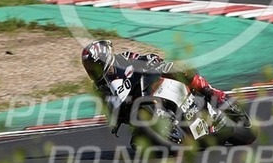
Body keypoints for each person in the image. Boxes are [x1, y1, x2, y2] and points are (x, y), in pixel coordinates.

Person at [81, 39, 228, 136]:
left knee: (177, 68)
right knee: (137, 144)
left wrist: (151, 59)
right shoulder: (99, 88)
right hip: (133, 109)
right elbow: (108, 111)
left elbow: (143, 58)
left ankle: (212, 92)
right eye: (89, 67)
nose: (92, 70)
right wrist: (114, 120)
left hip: (147, 84)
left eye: (93, 65)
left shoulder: (123, 58)